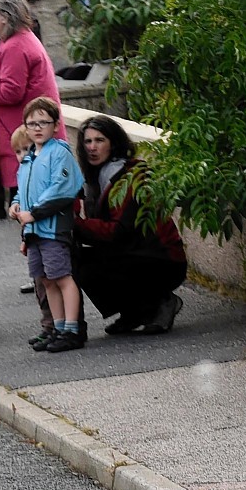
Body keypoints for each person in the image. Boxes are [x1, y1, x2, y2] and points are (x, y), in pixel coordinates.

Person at [73, 114, 187, 338]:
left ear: (114, 144)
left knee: (88, 262)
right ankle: (135, 312)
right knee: (76, 259)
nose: (92, 148)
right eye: (88, 141)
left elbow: (118, 231)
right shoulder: (94, 178)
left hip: (162, 259)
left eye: (100, 140)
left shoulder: (132, 175)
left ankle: (162, 301)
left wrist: (77, 225)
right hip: (132, 253)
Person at [0, 0, 64, 200]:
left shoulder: (16, 46)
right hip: (29, 136)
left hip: (28, 141)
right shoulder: (15, 41)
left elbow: (9, 92)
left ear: (5, 17)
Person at [11, 98, 82, 352]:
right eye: (32, 123)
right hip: (34, 232)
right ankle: (58, 326)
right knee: (46, 280)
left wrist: (35, 213)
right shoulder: (29, 159)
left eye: (44, 122)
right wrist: (17, 205)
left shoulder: (58, 152)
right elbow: (24, 191)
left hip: (52, 228)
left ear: (55, 125)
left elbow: (61, 190)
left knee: (62, 277)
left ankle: (72, 329)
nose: (38, 127)